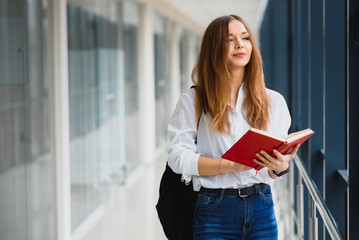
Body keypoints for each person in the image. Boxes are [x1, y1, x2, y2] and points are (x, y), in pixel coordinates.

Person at [166, 14, 300, 239]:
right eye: (229, 40)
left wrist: (280, 165)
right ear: (214, 48)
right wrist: (228, 165)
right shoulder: (194, 100)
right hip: (214, 209)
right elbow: (177, 157)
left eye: (245, 38)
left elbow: (270, 171)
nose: (240, 44)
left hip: (262, 207)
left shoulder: (273, 101)